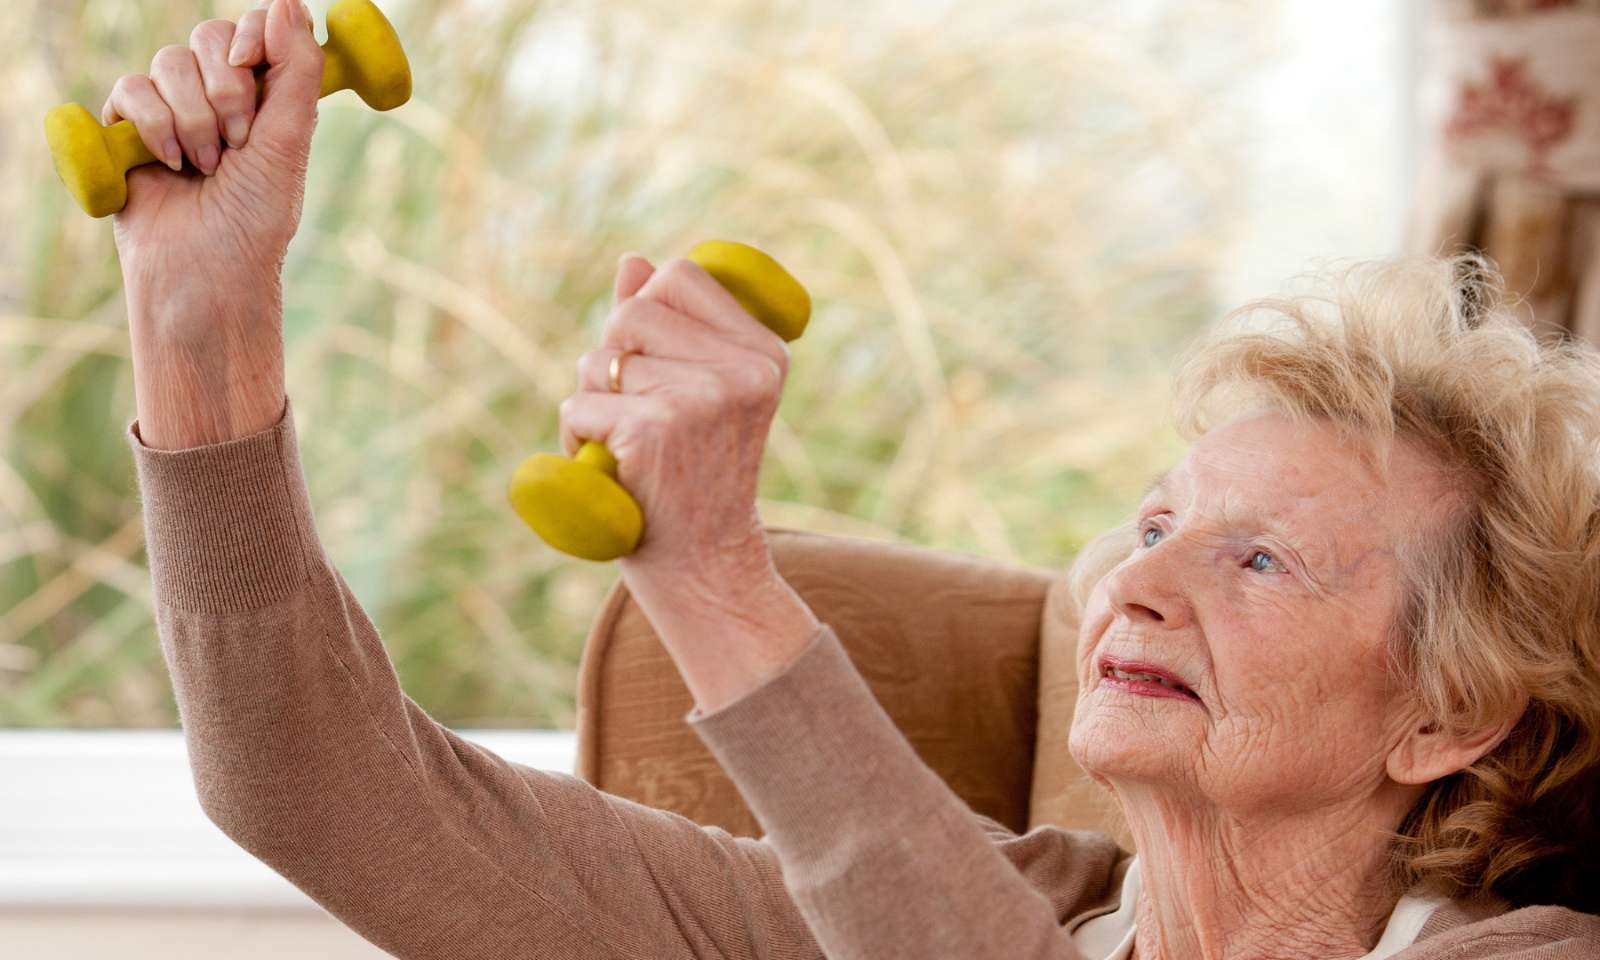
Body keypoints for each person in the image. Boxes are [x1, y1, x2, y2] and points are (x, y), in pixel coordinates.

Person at [113, 2, 1600, 957]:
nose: (1134, 582)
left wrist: (715, 581)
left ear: (1446, 711)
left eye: (1258, 558)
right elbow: (311, 785)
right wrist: (202, 320)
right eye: (1155, 523)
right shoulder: (986, 910)